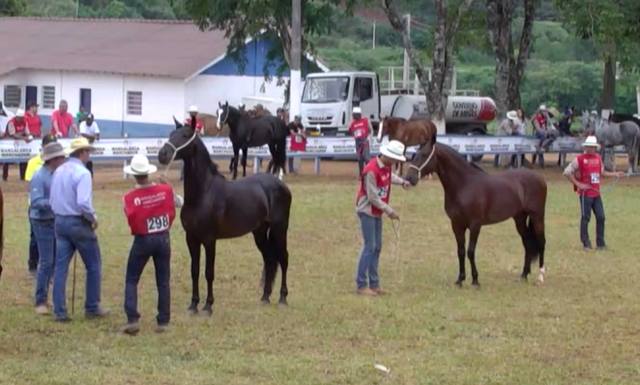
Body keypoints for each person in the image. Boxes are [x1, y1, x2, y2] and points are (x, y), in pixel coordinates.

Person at [121, 155, 179, 335]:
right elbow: (179, 202)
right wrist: (168, 186)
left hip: (143, 239)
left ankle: (132, 319)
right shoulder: (165, 190)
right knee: (163, 281)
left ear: (134, 175)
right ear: (148, 173)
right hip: (163, 238)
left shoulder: (129, 197)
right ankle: (163, 321)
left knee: (132, 279)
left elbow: (129, 215)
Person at [50, 137, 107, 322]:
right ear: (82, 153)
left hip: (60, 221)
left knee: (60, 268)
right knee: (93, 265)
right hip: (78, 222)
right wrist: (93, 218)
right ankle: (92, 306)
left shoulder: (58, 170)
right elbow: (83, 202)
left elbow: (52, 199)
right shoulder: (82, 173)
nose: (89, 155)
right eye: (87, 152)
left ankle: (60, 310)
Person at [354, 140, 410, 296]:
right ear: (386, 155)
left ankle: (374, 283)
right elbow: (372, 197)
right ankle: (361, 284)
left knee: (377, 247)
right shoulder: (371, 170)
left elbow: (389, 176)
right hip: (367, 210)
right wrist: (389, 210)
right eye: (394, 158)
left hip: (377, 211)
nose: (395, 161)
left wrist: (402, 182)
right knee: (369, 246)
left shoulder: (386, 166)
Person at [563, 136, 624, 250]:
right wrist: (578, 184)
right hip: (585, 194)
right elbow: (567, 172)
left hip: (596, 193)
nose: (591, 149)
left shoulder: (598, 158)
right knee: (585, 217)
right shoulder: (579, 159)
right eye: (589, 147)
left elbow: (602, 173)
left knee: (601, 217)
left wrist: (615, 174)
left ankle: (600, 244)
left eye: (593, 147)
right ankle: (586, 243)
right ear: (586, 147)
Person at [31, 142, 67, 315]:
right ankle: (40, 300)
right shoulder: (39, 176)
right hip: (42, 222)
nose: (63, 159)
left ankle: (49, 296)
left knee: (54, 261)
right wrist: (55, 203)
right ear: (54, 159)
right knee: (46, 262)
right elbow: (36, 202)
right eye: (61, 157)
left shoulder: (57, 174)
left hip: (55, 220)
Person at [25, 135, 58, 277]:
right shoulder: (34, 162)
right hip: (36, 206)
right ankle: (33, 263)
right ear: (43, 146)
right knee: (34, 238)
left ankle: (50, 269)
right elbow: (29, 184)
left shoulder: (56, 164)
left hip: (53, 209)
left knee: (54, 239)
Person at [4, 108, 33, 180]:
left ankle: (23, 176)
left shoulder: (24, 122)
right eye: (20, 118)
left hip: (20, 142)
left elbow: (27, 131)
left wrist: (29, 136)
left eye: (22, 118)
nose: (21, 119)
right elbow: (13, 134)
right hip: (9, 143)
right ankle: (5, 177)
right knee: (6, 159)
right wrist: (24, 137)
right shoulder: (11, 122)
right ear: (17, 117)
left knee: (23, 158)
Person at [348, 106, 372, 177]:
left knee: (367, 158)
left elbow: (370, 130)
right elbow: (350, 131)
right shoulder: (353, 123)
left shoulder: (365, 120)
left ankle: (369, 173)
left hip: (365, 141)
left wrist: (368, 138)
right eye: (353, 114)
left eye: (355, 114)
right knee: (360, 158)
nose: (354, 116)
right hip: (358, 142)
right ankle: (361, 174)